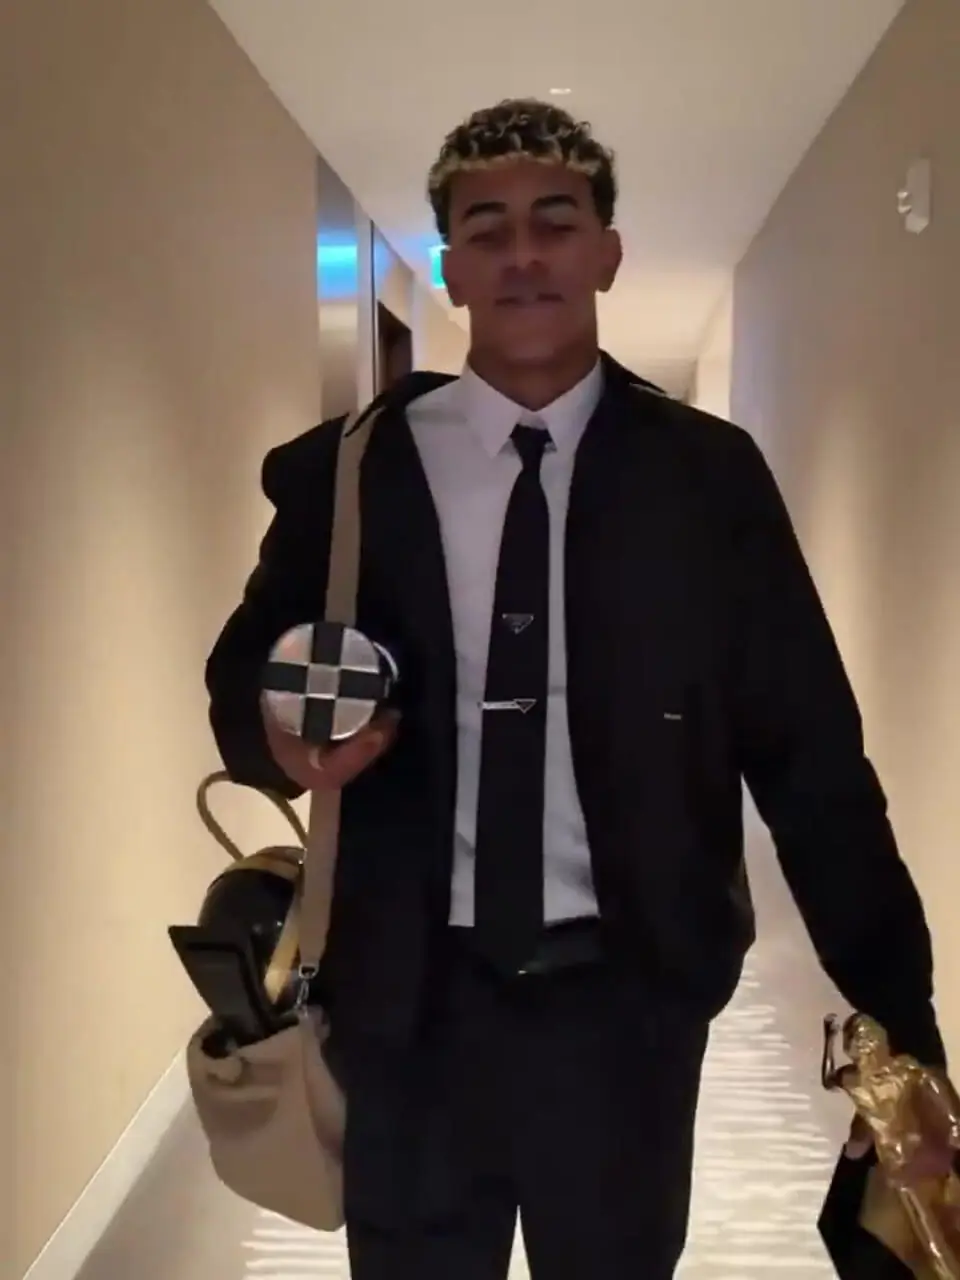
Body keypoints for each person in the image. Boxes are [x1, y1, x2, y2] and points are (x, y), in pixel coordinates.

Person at [205, 98, 945, 1280]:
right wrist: (278, 738)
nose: (524, 254)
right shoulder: (352, 469)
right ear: (451, 269)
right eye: (486, 230)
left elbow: (811, 760)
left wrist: (902, 1014)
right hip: (408, 1005)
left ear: (607, 251)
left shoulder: (705, 481)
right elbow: (244, 679)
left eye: (555, 221)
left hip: (626, 1006)